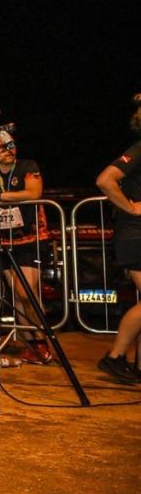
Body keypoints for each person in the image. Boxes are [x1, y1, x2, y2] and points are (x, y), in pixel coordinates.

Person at [0, 129, 52, 364]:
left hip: (31, 238)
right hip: (3, 240)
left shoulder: (27, 165)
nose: (9, 150)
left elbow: (34, 193)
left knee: (28, 293)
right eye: (3, 147)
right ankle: (30, 344)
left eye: (11, 145)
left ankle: (42, 340)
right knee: (16, 295)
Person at [96, 99, 141, 384]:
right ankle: (114, 357)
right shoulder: (139, 150)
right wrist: (131, 207)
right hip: (135, 232)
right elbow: (105, 180)